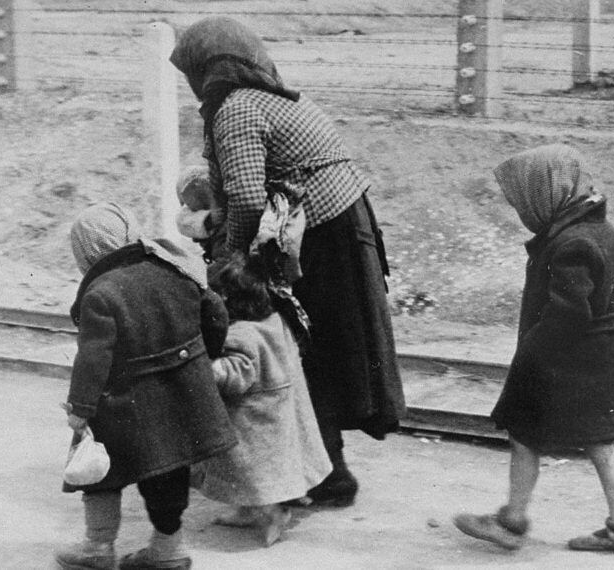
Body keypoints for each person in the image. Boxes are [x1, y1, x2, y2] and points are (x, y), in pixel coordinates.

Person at [170, 17, 405, 507]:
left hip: (319, 238)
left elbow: (246, 200)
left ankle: (322, 474)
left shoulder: (235, 108)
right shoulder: (273, 97)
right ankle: (327, 470)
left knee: (302, 350)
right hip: (340, 227)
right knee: (322, 352)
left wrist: (229, 263)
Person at [452, 144, 614, 554]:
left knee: (524, 436)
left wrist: (531, 352)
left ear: (547, 195)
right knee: (601, 443)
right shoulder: (611, 235)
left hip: (562, 361)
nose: (524, 211)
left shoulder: (569, 244)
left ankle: (512, 521)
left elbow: (569, 314)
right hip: (604, 358)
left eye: (526, 200)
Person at [55, 203, 238, 570]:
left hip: (121, 406)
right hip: (181, 396)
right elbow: (216, 313)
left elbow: (92, 361)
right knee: (169, 474)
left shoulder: (100, 294)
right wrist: (200, 362)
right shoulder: (173, 266)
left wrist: (79, 411)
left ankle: (98, 546)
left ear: (88, 253)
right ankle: (168, 550)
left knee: (100, 473)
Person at [191, 252, 332, 546]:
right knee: (252, 475)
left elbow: (236, 374)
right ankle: (247, 510)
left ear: (228, 299)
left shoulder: (240, 336)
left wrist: (207, 367)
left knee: (259, 474)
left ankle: (276, 514)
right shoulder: (273, 319)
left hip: (256, 421)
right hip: (278, 410)